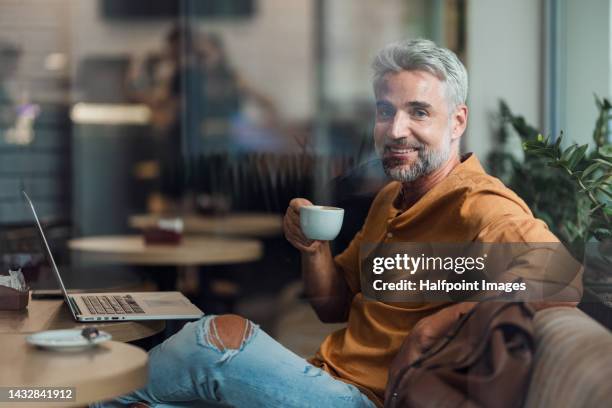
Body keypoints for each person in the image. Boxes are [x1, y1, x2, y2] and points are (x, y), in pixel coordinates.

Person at [94, 39, 581, 408]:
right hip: (327, 377)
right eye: (385, 111)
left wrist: (445, 319)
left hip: (366, 399)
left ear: (457, 122)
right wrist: (313, 250)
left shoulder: (479, 203)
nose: (395, 130)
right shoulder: (392, 197)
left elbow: (564, 279)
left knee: (215, 338)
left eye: (419, 112)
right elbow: (333, 305)